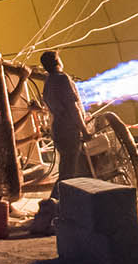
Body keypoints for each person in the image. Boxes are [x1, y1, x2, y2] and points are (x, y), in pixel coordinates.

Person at [40, 50, 90, 181]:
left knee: (67, 168)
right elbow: (73, 107)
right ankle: (57, 199)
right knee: (68, 172)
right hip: (69, 130)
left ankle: (57, 198)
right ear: (57, 61)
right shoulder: (62, 79)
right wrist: (84, 130)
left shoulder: (48, 82)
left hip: (58, 130)